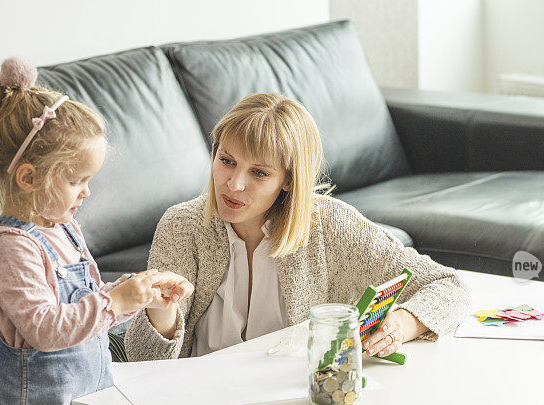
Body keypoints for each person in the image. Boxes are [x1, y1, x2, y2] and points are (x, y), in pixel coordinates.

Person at [0, 58, 192, 405]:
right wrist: (120, 301)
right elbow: (47, 329)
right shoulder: (11, 247)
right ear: (28, 178)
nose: (87, 193)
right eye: (77, 180)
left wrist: (139, 292)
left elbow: (83, 303)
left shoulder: (63, 228)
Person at [125, 92, 469, 361]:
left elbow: (448, 285)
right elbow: (146, 360)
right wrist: (161, 311)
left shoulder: (329, 225)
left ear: (289, 180)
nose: (234, 184)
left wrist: (402, 324)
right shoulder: (182, 226)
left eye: (259, 172)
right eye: (226, 161)